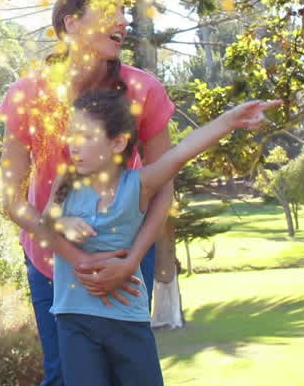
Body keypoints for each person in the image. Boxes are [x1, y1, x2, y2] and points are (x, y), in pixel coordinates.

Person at [0, 0, 176, 386]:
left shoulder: (143, 90)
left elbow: (163, 185)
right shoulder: (26, 95)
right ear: (71, 23)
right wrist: (72, 256)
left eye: (124, 12)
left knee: (128, 374)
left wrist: (133, 261)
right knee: (65, 375)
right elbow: (12, 198)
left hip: (124, 258)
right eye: (108, 10)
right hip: (49, 261)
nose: (123, 21)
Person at [45, 88, 278, 385]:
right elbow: (42, 226)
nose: (74, 146)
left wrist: (230, 119)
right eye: (71, 135)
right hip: (73, 320)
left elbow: (182, 152)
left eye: (86, 137)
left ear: (117, 142)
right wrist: (63, 222)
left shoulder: (139, 185)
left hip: (127, 321)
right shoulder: (65, 182)